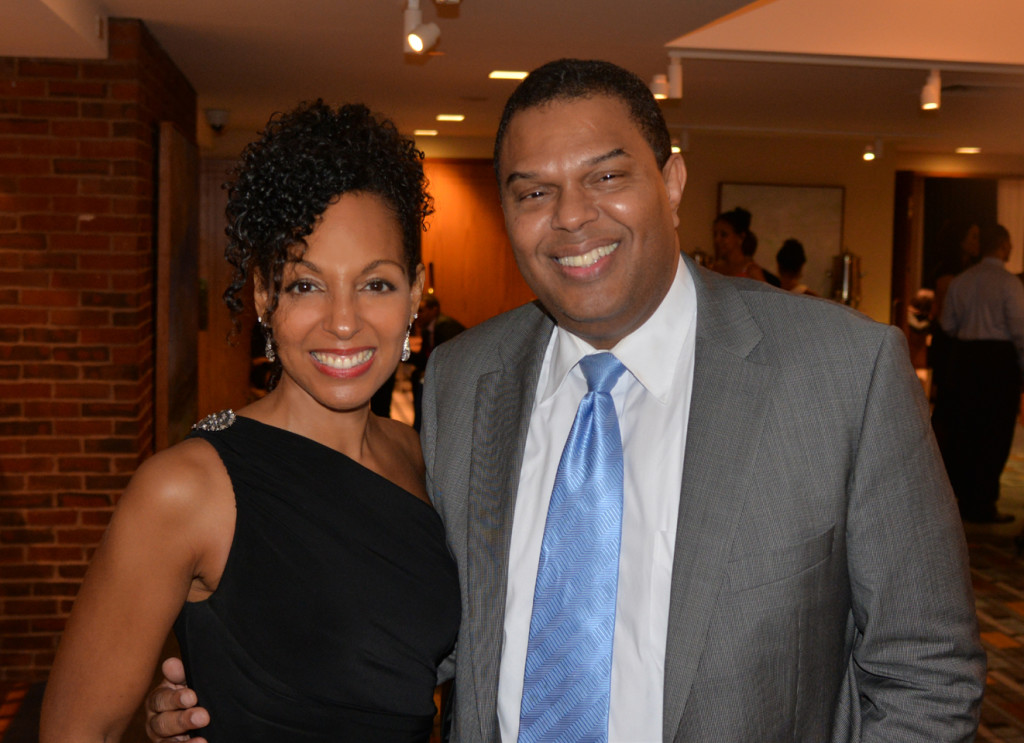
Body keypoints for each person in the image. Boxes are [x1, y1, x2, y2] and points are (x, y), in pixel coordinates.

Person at [147, 59, 985, 742]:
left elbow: (925, 672)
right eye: (532, 191)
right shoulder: (466, 378)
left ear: (674, 180)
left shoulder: (841, 371)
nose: (572, 219)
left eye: (607, 175)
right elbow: (426, 627)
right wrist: (215, 691)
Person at [41, 100, 460, 743]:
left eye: (375, 284)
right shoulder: (186, 488)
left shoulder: (424, 458)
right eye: (305, 285)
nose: (343, 322)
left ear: (415, 290)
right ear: (264, 293)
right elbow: (74, 731)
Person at [940, 223, 1024, 524]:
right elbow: (1020, 331)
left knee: (966, 429)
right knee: (996, 433)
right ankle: (984, 502)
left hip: (965, 360)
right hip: (998, 362)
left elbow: (948, 325)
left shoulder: (961, 281)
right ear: (1003, 245)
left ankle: (963, 499)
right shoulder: (1009, 283)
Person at [408, 294, 465, 431]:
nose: (416, 314)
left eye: (420, 310)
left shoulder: (445, 327)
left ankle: (421, 429)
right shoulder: (428, 331)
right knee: (418, 376)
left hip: (459, 376)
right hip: (442, 375)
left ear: (434, 310)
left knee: (422, 381)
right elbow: (424, 360)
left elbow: (453, 361)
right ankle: (421, 428)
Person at [711, 206, 781, 286]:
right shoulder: (715, 269)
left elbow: (766, 297)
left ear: (740, 237)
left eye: (724, 235)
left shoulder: (751, 271)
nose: (717, 240)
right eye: (715, 235)